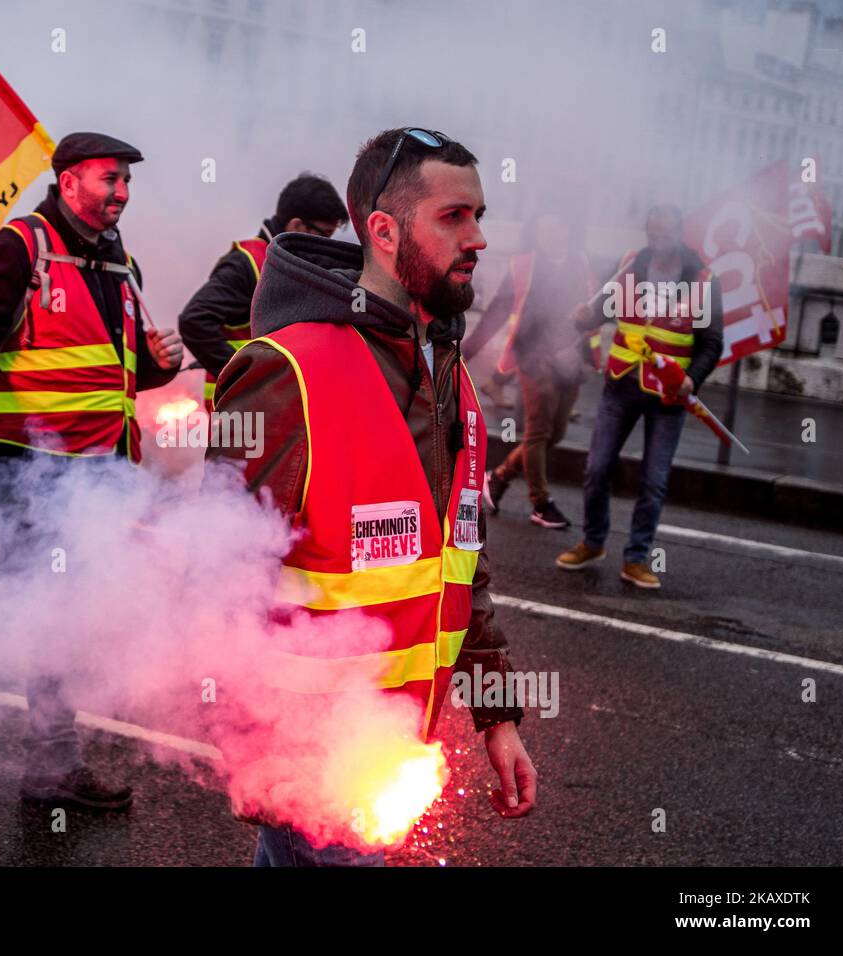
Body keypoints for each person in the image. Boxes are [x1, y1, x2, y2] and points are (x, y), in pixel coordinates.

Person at [208, 128, 535, 866]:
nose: (478, 237)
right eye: (453, 217)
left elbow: (461, 565)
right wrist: (263, 762)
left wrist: (497, 718)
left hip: (384, 752)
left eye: (479, 214)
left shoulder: (451, 376)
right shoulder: (283, 370)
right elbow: (217, 581)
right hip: (316, 771)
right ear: (383, 231)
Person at [0, 131, 184, 809]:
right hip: (31, 474)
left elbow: (116, 374)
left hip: (101, 478)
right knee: (45, 617)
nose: (121, 193)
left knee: (30, 615)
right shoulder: (18, 246)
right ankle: (42, 769)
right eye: (107, 179)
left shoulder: (121, 263)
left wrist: (159, 364)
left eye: (125, 181)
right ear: (67, 182)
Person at [556, 204, 723, 589]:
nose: (656, 241)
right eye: (651, 233)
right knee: (596, 468)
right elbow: (602, 309)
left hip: (668, 394)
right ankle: (593, 541)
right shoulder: (630, 264)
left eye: (664, 234)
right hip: (621, 383)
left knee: (654, 479)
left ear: (680, 233)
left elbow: (712, 343)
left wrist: (692, 380)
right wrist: (584, 317)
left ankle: (636, 558)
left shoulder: (702, 280)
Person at [465, 210, 599, 529]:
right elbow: (498, 308)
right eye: (543, 231)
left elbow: (594, 308)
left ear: (567, 230)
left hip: (569, 360)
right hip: (534, 359)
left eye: (556, 229)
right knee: (538, 432)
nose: (550, 236)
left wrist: (590, 353)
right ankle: (541, 504)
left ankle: (496, 477)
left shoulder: (580, 263)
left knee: (556, 433)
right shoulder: (523, 265)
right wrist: (468, 349)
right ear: (535, 235)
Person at [179, 173, 348, 411]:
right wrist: (246, 376)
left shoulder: (293, 267)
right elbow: (194, 321)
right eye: (324, 235)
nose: (327, 246)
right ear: (297, 226)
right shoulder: (245, 263)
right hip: (242, 417)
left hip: (275, 415)